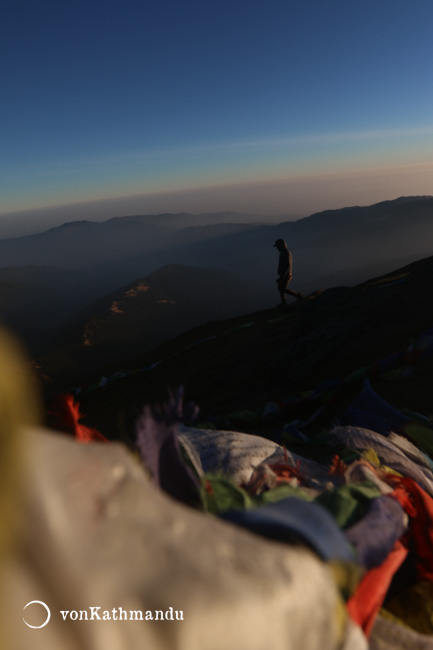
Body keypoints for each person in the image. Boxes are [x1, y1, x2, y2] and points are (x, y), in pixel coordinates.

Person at [273, 239, 304, 305]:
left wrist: (283, 275)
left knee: (282, 288)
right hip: (284, 274)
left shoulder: (286, 252)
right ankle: (284, 301)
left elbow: (288, 265)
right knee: (281, 288)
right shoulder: (283, 252)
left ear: (281, 245)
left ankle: (298, 295)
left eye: (277, 246)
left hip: (286, 275)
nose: (277, 248)